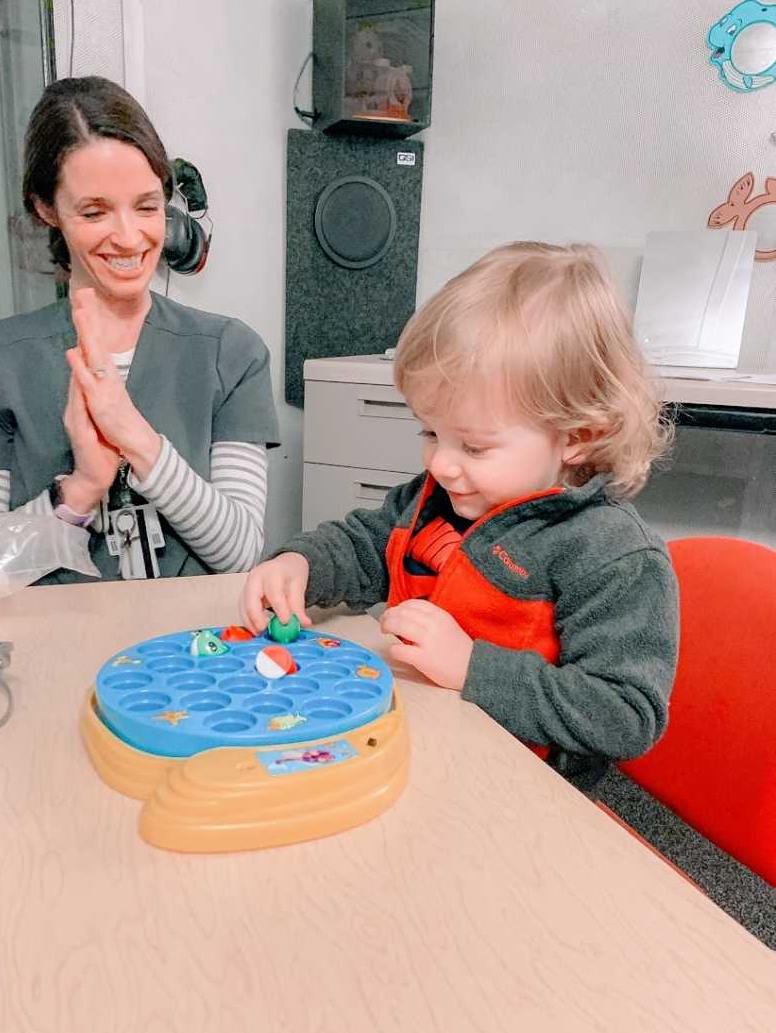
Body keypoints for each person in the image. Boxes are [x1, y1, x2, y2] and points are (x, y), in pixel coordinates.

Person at [241, 242, 679, 788]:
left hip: (517, 793)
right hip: (413, 743)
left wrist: (473, 667)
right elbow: (367, 544)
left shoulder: (613, 555)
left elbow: (625, 715)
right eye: (429, 431)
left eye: (473, 446)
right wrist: (301, 565)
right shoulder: (443, 496)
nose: (441, 464)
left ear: (578, 437)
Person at [0, 76, 279, 582]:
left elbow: (241, 555)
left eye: (147, 206)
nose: (129, 238)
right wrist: (80, 489)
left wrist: (135, 436)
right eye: (95, 211)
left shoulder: (232, 352)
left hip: (189, 653)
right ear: (46, 208)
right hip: (51, 647)